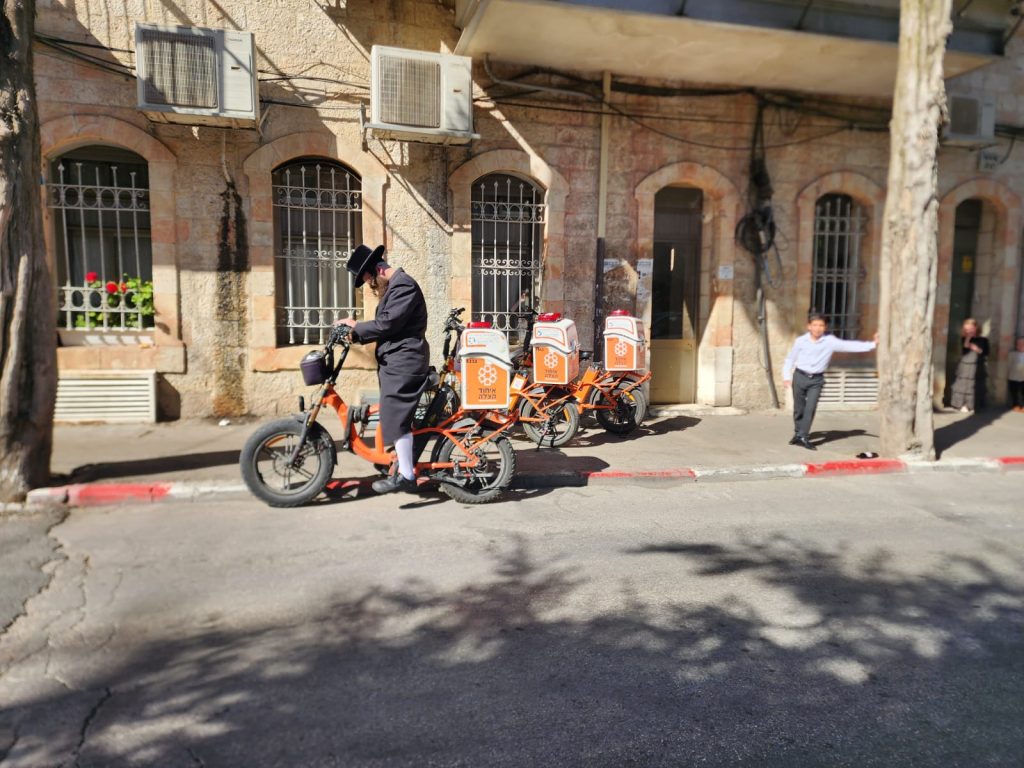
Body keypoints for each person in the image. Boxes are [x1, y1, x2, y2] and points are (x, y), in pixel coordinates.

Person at [336, 244, 429, 494]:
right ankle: (400, 463)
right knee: (393, 415)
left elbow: (387, 324)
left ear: (377, 270)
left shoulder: (404, 286)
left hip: (405, 363)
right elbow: (387, 325)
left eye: (368, 280)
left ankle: (407, 475)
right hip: (397, 362)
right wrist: (354, 334)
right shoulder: (396, 287)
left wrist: (355, 326)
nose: (370, 285)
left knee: (395, 417)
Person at [782, 312, 878, 451]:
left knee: (810, 408)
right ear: (809, 326)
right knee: (799, 409)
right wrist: (786, 377)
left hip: (817, 379)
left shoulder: (830, 341)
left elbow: (849, 346)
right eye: (814, 325)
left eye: (821, 325)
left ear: (825, 327)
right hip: (800, 376)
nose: (817, 328)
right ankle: (798, 433)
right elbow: (790, 359)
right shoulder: (800, 341)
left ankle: (804, 436)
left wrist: (872, 344)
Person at [949, 318, 989, 414]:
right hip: (965, 364)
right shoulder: (964, 338)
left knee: (973, 385)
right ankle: (960, 404)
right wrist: (968, 337)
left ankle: (971, 405)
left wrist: (977, 349)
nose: (968, 331)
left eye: (970, 328)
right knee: (962, 384)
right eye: (966, 329)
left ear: (975, 328)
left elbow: (986, 353)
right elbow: (965, 347)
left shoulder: (983, 340)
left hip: (977, 365)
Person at [1007, 336, 1024, 413]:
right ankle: (1015, 405)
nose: (1020, 345)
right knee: (1014, 392)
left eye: (1022, 344)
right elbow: (1009, 365)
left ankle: (1023, 406)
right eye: (1019, 344)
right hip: (1014, 376)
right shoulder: (1012, 354)